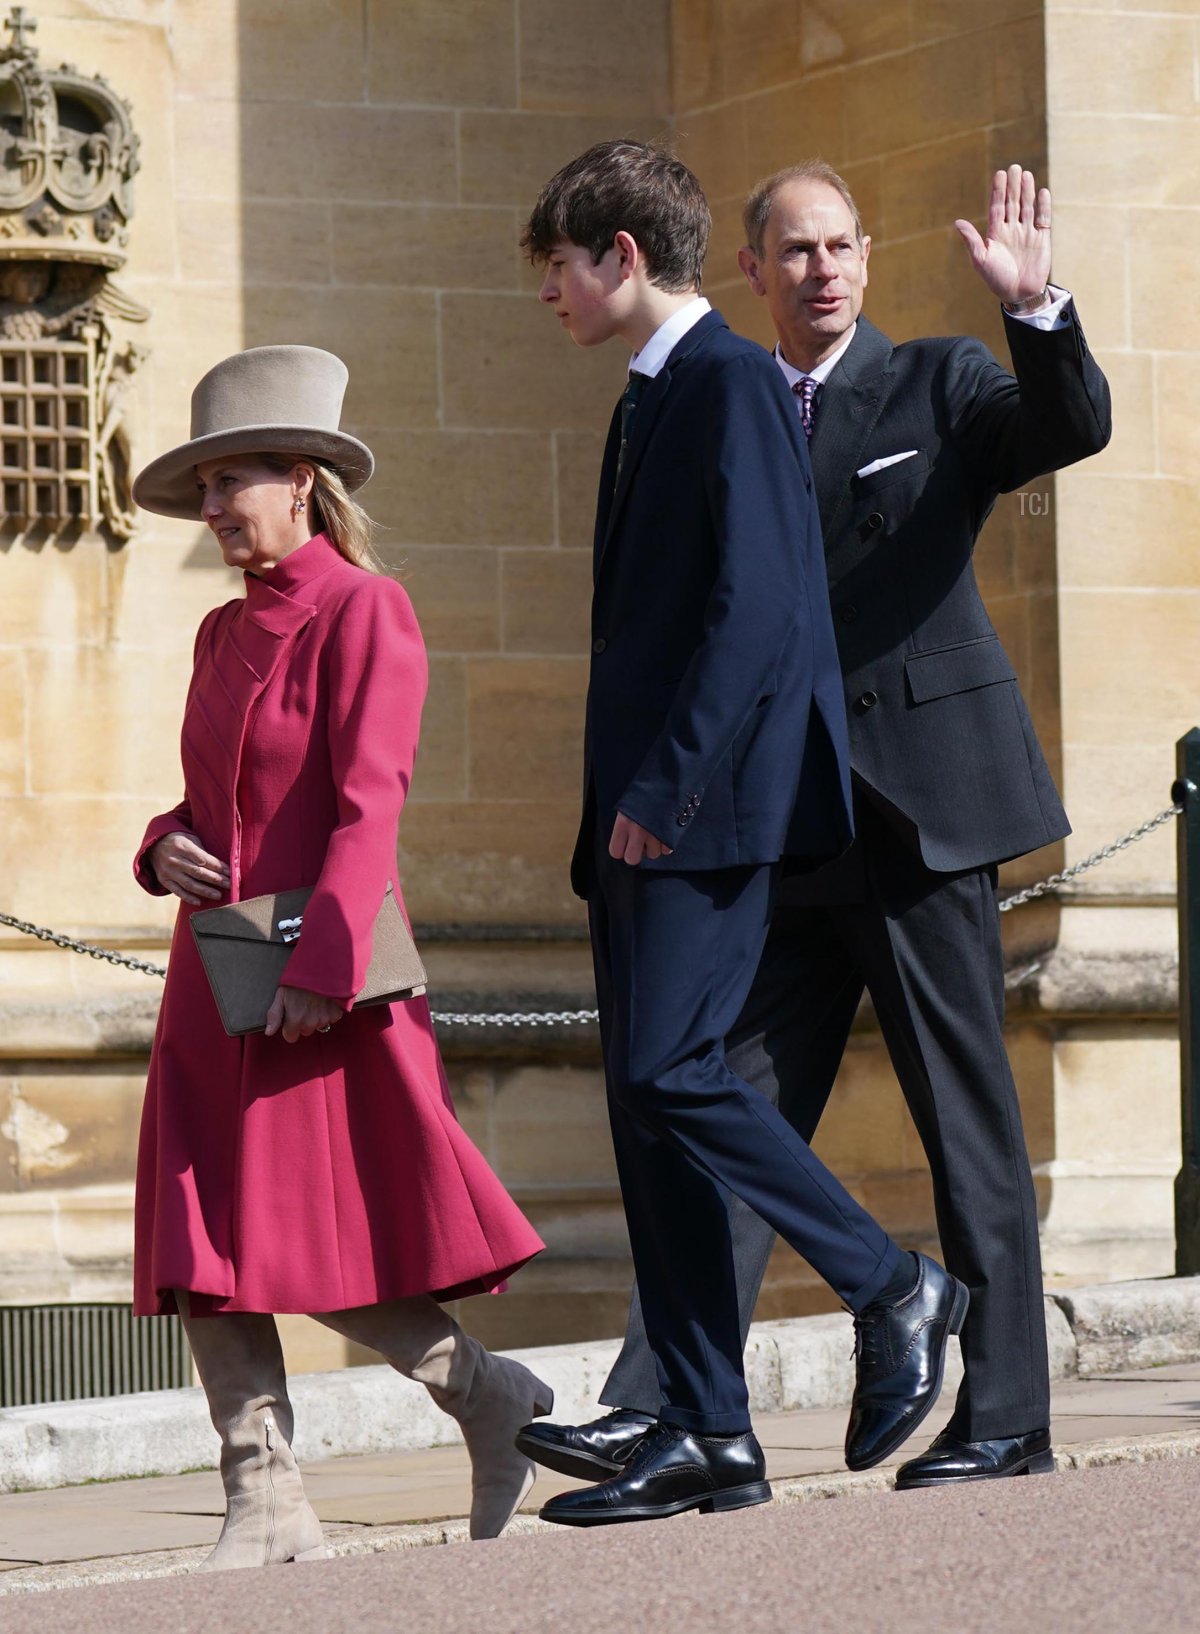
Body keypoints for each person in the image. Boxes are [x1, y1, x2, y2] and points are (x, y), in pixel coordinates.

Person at [526, 163, 1111, 1494]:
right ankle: (678, 1406)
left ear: (868, 255)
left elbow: (1066, 427)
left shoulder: (941, 383)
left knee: (967, 1130)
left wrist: (1040, 312)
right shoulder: (726, 394)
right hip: (781, 821)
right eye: (796, 251)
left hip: (915, 813)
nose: (825, 270)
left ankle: (1007, 1413)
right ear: (752, 270)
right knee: (720, 1103)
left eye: (844, 245)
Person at [129, 345, 552, 1568]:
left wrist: (320, 961)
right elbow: (203, 803)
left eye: (233, 481)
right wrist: (161, 848)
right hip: (217, 976)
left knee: (307, 1239)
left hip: (320, 978)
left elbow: (374, 803)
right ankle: (263, 1490)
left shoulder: (367, 608)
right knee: (206, 1238)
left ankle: (485, 1396)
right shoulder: (219, 634)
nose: (212, 508)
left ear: (302, 481)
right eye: (204, 487)